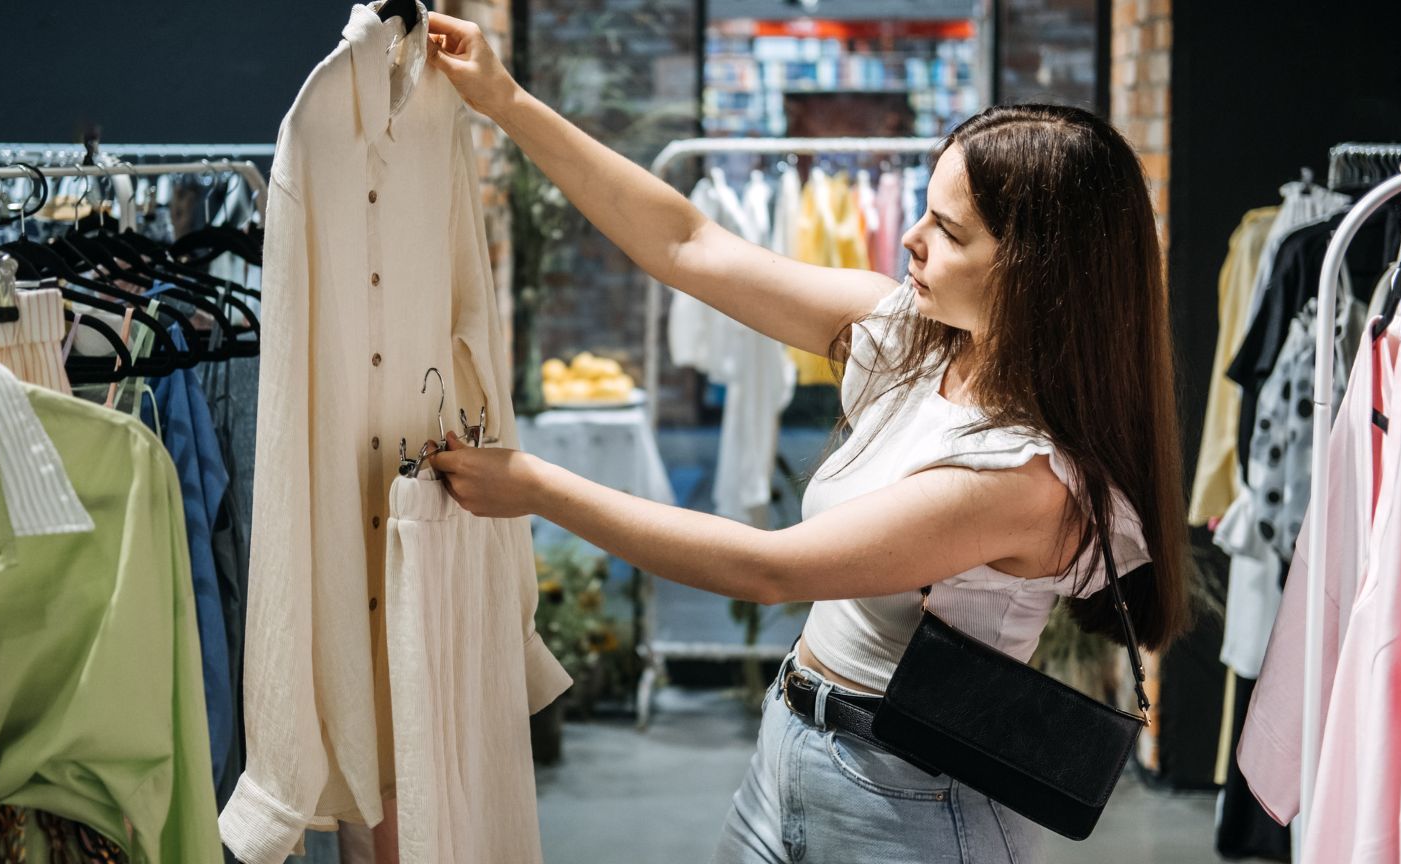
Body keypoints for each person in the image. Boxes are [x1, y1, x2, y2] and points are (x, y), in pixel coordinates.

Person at [423, 11, 1191, 863]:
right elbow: (687, 244)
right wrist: (504, 98)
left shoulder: (1027, 476)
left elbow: (770, 569)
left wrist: (536, 487)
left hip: (911, 802)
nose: (910, 236)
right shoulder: (911, 338)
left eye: (949, 230)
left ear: (1038, 274)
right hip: (791, 746)